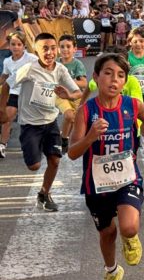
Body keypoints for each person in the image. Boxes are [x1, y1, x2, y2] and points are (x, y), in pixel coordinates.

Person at [68, 53, 144, 280]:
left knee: (128, 226)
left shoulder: (133, 105)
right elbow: (72, 152)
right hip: (97, 184)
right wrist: (91, 137)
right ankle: (112, 272)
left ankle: (130, 237)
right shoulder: (86, 111)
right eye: (108, 73)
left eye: (121, 75)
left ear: (125, 82)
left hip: (127, 178)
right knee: (107, 234)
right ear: (96, 77)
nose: (114, 79)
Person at [0, 33, 81, 211]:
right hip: (30, 124)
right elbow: (6, 85)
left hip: (50, 122)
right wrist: (2, 109)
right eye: (45, 48)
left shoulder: (60, 69)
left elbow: (77, 92)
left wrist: (68, 95)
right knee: (34, 165)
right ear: (36, 50)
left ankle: (44, 194)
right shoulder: (28, 68)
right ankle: (34, 150)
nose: (50, 52)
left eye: (53, 48)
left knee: (54, 160)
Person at [0, 32, 38, 158]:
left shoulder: (31, 58)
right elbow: (4, 76)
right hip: (14, 93)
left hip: (30, 93)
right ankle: (2, 145)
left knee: (30, 122)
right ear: (9, 46)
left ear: (24, 46)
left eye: (19, 44)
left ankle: (35, 144)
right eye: (13, 44)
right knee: (7, 118)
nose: (16, 47)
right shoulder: (7, 61)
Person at [56, 35, 87, 153]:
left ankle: (64, 137)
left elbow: (84, 83)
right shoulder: (55, 63)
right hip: (60, 96)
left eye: (68, 46)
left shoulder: (77, 64)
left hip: (75, 95)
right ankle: (63, 139)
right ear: (58, 49)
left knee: (74, 120)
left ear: (74, 49)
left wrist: (68, 80)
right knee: (69, 116)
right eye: (62, 47)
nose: (65, 49)